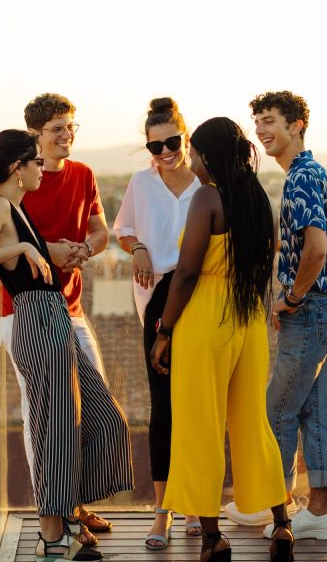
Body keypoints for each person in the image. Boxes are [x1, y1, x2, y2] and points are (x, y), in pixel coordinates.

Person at [0, 129, 134, 561]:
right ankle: (53, 534)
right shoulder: (0, 207)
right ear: (18, 168)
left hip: (54, 318)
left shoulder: (14, 206)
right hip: (36, 322)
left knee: (105, 420)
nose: (42, 168)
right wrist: (19, 246)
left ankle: (69, 511)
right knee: (55, 429)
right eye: (36, 162)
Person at [151, 117, 292, 562]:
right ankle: (282, 524)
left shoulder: (206, 198)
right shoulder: (258, 198)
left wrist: (165, 330)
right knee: (252, 422)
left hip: (206, 319)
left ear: (208, 156)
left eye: (193, 153)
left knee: (200, 425)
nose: (189, 160)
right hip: (248, 317)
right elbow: (262, 263)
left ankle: (213, 538)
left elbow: (188, 272)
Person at [237, 91, 327, 541]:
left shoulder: (301, 177)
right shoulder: (313, 172)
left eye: (270, 121)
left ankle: (273, 508)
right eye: (257, 122)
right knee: (314, 413)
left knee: (275, 411)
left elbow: (316, 248)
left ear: (297, 125)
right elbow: (320, 246)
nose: (262, 130)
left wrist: (293, 298)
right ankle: (319, 513)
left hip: (312, 310)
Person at [4, 92, 113, 543]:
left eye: (71, 127)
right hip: (30, 313)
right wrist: (50, 252)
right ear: (35, 135)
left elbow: (101, 230)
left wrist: (85, 249)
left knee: (93, 409)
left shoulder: (84, 174)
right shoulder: (14, 182)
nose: (67, 136)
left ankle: (76, 503)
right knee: (48, 418)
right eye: (57, 130)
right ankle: (59, 513)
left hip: (72, 308)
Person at [113, 97, 202, 549]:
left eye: (172, 142)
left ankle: (195, 502)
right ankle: (163, 510)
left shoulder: (208, 183)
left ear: (185, 136)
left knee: (197, 403)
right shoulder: (140, 183)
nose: (165, 152)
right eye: (155, 146)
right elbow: (124, 229)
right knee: (163, 404)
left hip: (200, 297)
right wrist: (138, 249)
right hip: (156, 301)